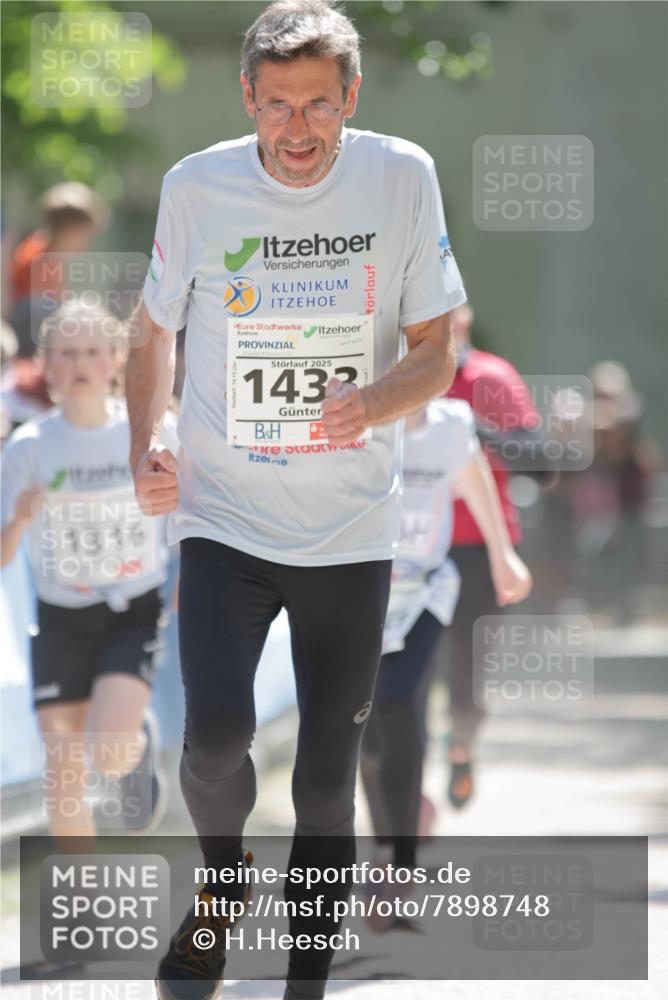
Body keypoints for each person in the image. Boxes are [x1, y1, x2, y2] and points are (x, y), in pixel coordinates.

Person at [125, 2, 467, 997]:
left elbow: (436, 350)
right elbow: (152, 330)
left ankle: (304, 983)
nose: (298, 128)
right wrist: (148, 437)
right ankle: (221, 886)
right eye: (277, 105)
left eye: (318, 104)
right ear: (248, 98)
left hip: (350, 529)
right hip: (224, 516)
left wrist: (374, 402)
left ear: (350, 98)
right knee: (215, 735)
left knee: (323, 782)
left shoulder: (401, 176)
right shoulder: (197, 186)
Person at [0, 300, 172, 842]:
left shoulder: (148, 431)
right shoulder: (29, 447)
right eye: (66, 352)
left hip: (131, 610)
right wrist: (20, 520)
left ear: (116, 360)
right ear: (45, 364)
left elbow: (196, 509)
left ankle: (136, 742)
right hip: (61, 617)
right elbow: (3, 554)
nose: (79, 363)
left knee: (109, 752)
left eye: (93, 350)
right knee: (64, 773)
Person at [359, 398, 532, 929]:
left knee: (398, 703)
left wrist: (503, 554)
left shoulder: (452, 423)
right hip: (361, 595)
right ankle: (392, 830)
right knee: (365, 726)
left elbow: (474, 476)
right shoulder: (357, 420)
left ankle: (397, 859)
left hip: (425, 593)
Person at [442, 302, 550, 809]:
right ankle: (400, 785)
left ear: (463, 323)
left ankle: (461, 746)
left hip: (480, 549)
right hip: (405, 551)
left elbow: (541, 465)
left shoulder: (493, 377)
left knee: (468, 677)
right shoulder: (393, 378)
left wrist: (473, 430)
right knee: (401, 673)